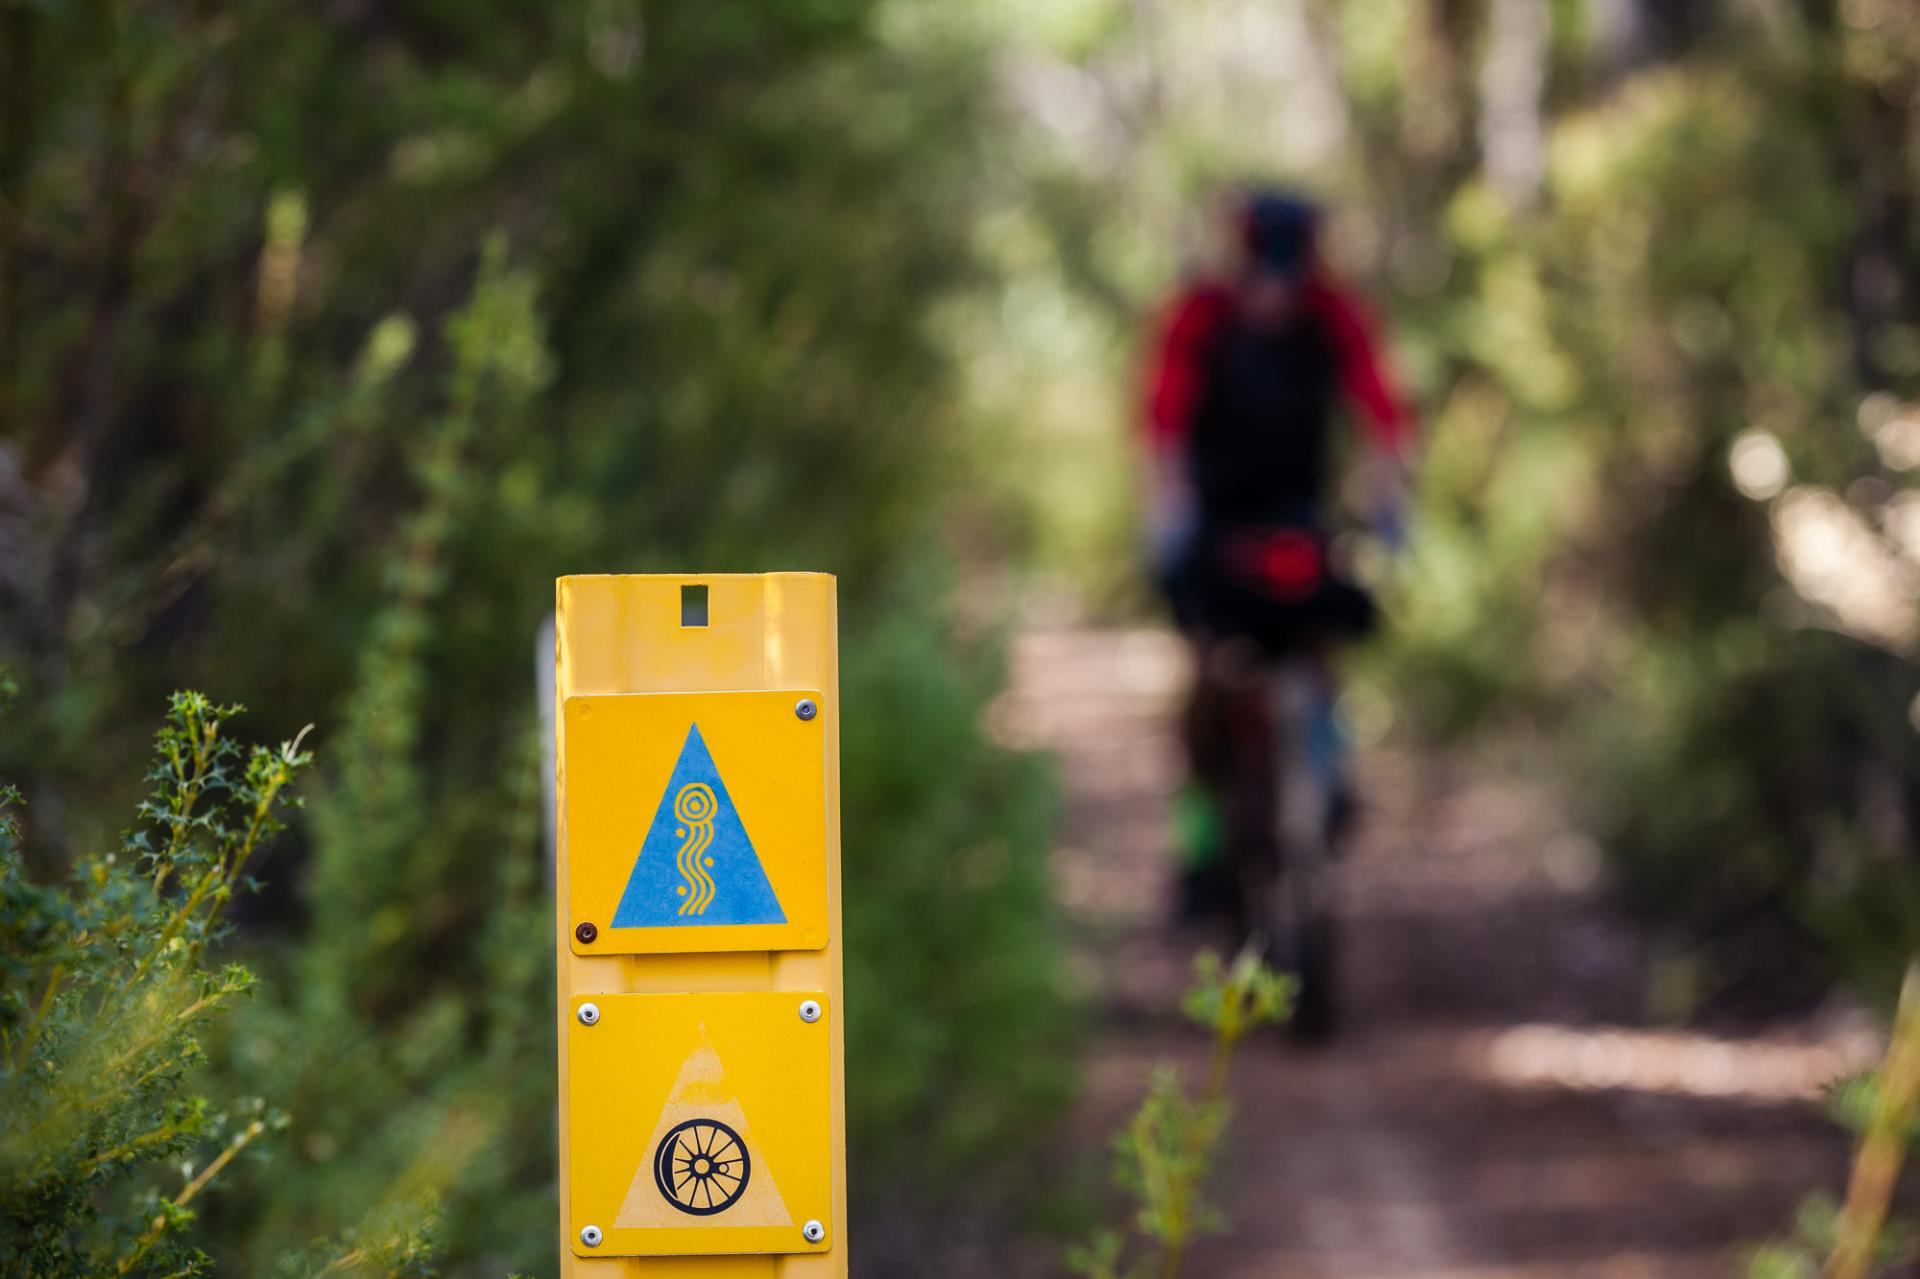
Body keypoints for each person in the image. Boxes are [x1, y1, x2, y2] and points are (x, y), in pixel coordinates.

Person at [1143, 189, 1414, 924]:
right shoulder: (1202, 317)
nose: (1277, 283)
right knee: (1204, 673)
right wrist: (1171, 510)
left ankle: (1331, 775)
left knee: (1326, 639)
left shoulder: (1335, 315)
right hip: (1218, 521)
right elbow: (1164, 418)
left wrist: (1392, 501)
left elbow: (1381, 409)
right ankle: (1201, 840)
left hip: (1302, 520)